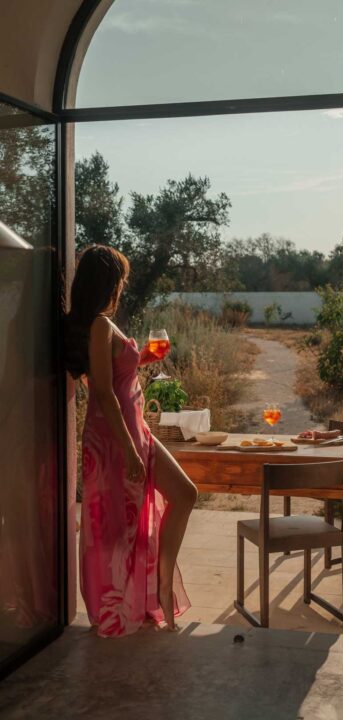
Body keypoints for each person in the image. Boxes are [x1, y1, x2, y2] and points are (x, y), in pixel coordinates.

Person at [64, 245, 197, 637]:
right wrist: (127, 449)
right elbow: (103, 393)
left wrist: (142, 361)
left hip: (135, 433)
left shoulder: (102, 326)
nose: (123, 286)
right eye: (120, 279)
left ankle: (158, 582)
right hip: (116, 439)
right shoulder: (101, 325)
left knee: (183, 496)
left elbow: (115, 374)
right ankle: (122, 604)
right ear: (108, 283)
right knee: (115, 528)